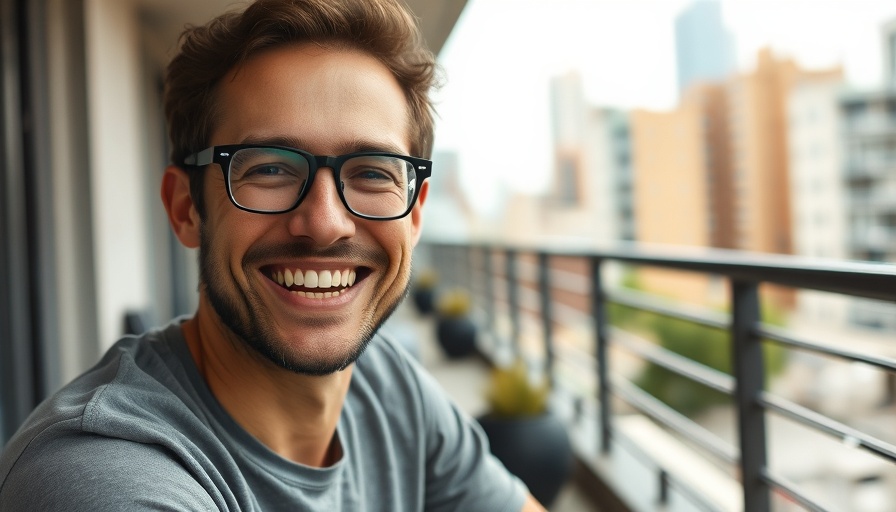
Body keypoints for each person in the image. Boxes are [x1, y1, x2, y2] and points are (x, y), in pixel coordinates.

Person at [0, 0, 546, 510]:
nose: (325, 224)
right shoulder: (102, 475)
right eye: (269, 168)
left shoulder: (388, 389)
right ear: (187, 207)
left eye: (373, 172)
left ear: (416, 213)